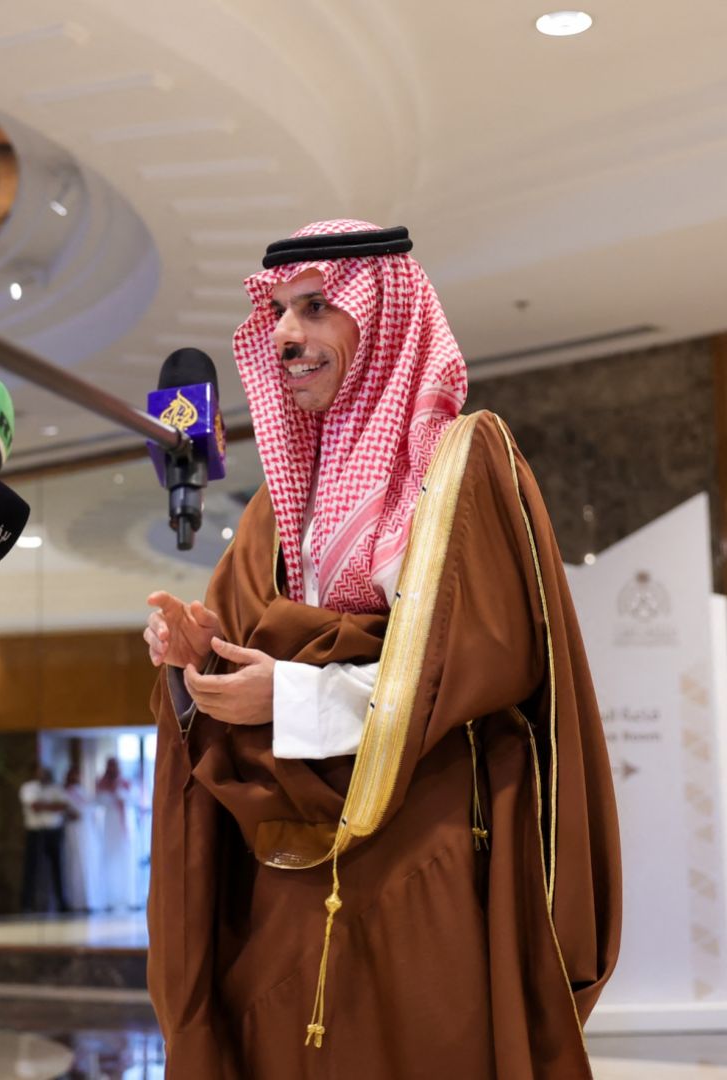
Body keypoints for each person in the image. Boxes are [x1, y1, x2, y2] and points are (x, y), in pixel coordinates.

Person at [143, 221, 621, 1079]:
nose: (288, 334)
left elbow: (470, 667)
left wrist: (289, 698)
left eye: (317, 307)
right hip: (285, 856)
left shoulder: (461, 467)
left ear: (384, 317)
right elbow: (237, 655)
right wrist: (196, 662)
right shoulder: (276, 510)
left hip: (425, 852)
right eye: (279, 312)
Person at [19, 763, 70, 913]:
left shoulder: (56, 789)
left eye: (45, 773)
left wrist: (45, 806)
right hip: (35, 832)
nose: (43, 775)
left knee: (58, 868)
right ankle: (27, 904)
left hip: (53, 832)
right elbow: (34, 806)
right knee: (31, 868)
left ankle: (62, 903)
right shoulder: (28, 788)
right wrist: (51, 806)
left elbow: (62, 806)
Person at [95, 756, 137, 911]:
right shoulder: (101, 783)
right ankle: (110, 899)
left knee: (126, 859)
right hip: (110, 826)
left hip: (125, 826)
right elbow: (99, 801)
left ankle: (129, 898)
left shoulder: (125, 782)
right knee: (110, 860)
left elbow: (132, 799)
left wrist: (119, 794)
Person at [62, 765, 103, 912]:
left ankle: (90, 900)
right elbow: (69, 812)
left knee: (88, 864)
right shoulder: (65, 793)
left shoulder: (82, 792)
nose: (76, 778)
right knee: (76, 864)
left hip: (87, 832)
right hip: (74, 831)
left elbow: (91, 808)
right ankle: (77, 901)